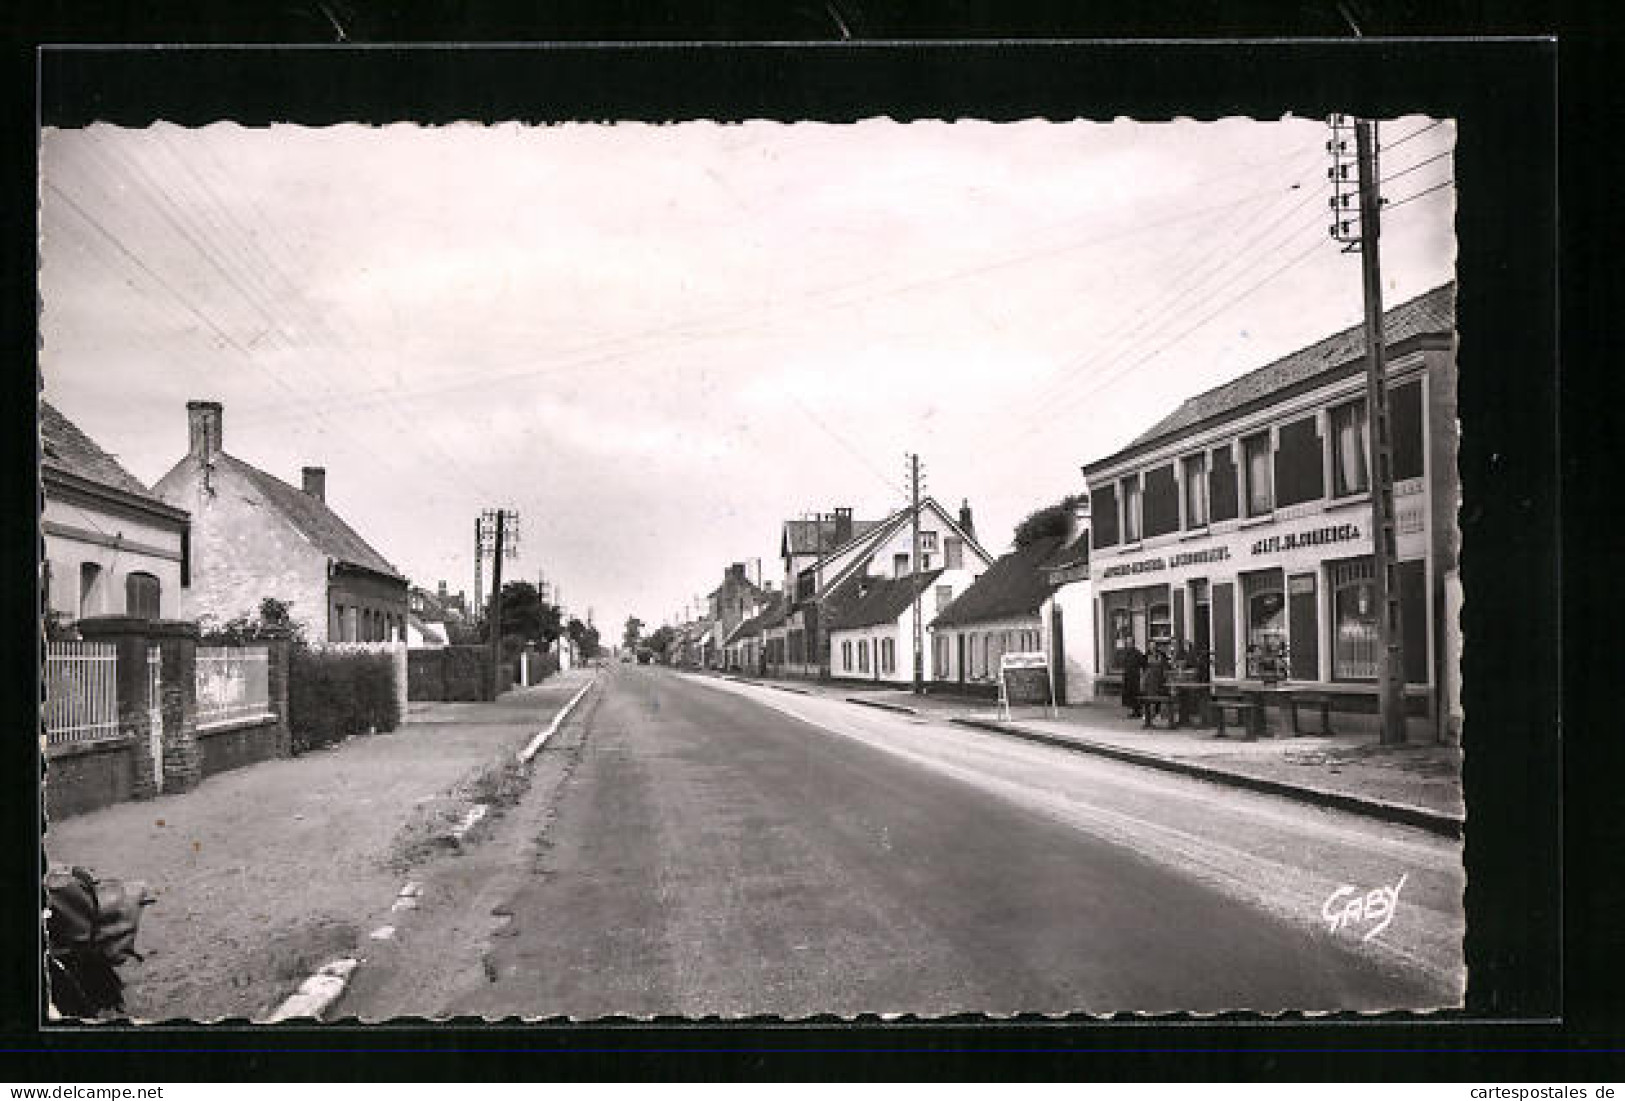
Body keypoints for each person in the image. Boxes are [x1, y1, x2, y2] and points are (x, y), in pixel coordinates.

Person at [1141, 646, 1170, 726]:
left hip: (1153, 691)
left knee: (1153, 696)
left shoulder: (1149, 672)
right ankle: (1153, 715)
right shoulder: (1154, 671)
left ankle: (1150, 715)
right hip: (1154, 691)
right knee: (1155, 696)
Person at [1120, 643, 1146, 718]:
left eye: (1130, 643)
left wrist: (1142, 675)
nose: (1129, 645)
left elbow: (1143, 664)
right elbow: (1124, 663)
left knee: (1135, 694)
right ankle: (1133, 710)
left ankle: (1137, 711)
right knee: (1129, 694)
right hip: (1128, 676)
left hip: (1135, 677)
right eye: (1127, 643)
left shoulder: (1138, 653)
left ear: (1133, 644)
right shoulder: (1126, 653)